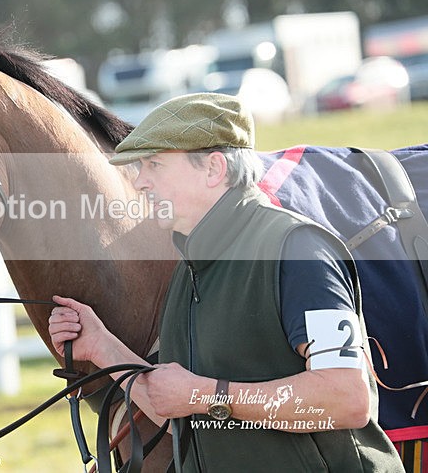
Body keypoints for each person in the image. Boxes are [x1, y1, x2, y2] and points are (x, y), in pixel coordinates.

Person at [48, 93, 404, 471]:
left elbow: (347, 398)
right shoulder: (190, 271)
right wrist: (102, 346)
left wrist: (205, 394)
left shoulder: (297, 250)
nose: (140, 184)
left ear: (214, 168)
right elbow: (179, 413)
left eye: (154, 164)